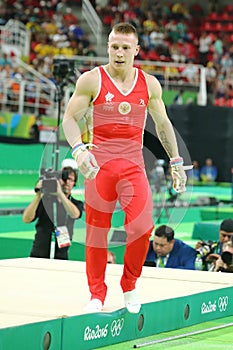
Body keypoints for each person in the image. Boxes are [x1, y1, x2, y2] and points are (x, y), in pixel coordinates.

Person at [62, 22, 188, 314]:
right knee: (96, 232)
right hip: (99, 166)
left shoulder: (150, 84)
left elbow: (163, 125)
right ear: (107, 47)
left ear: (136, 50)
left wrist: (177, 162)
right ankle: (96, 294)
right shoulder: (91, 80)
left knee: (142, 228)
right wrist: (79, 150)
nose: (119, 53)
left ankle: (129, 285)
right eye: (114, 46)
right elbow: (70, 119)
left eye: (125, 47)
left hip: (132, 166)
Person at [23, 165, 84, 260]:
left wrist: (60, 194)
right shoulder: (45, 201)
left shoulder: (76, 203)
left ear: (74, 183)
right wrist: (38, 195)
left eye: (71, 180)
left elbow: (75, 214)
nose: (67, 182)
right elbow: (26, 219)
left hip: (61, 254)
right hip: (39, 253)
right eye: (64, 179)